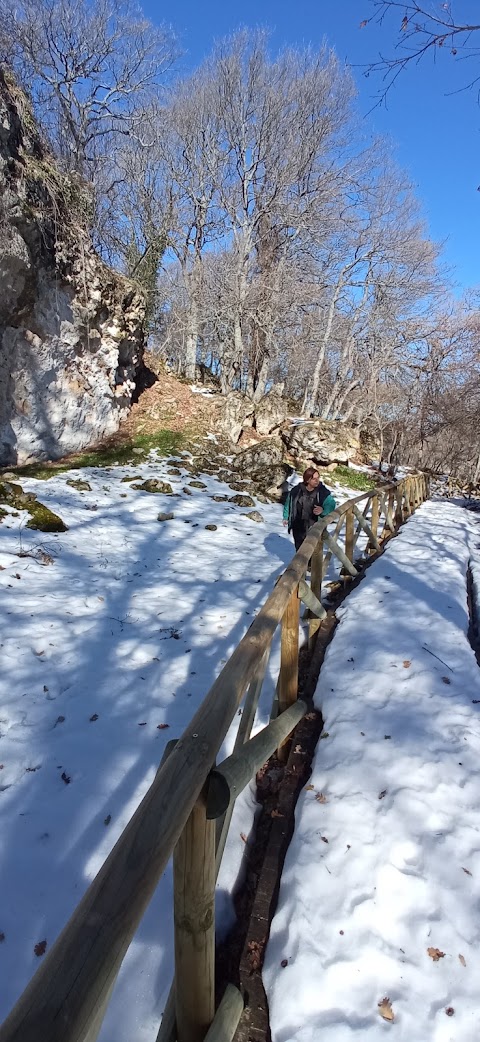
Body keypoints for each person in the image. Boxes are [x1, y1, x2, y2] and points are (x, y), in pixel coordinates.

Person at [283, 467, 336, 550]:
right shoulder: (296, 490)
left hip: (315, 526)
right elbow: (288, 503)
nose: (317, 480)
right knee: (299, 550)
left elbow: (331, 504)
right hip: (298, 526)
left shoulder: (322, 492)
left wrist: (323, 510)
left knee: (313, 552)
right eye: (314, 478)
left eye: (318, 478)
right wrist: (286, 517)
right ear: (307, 480)